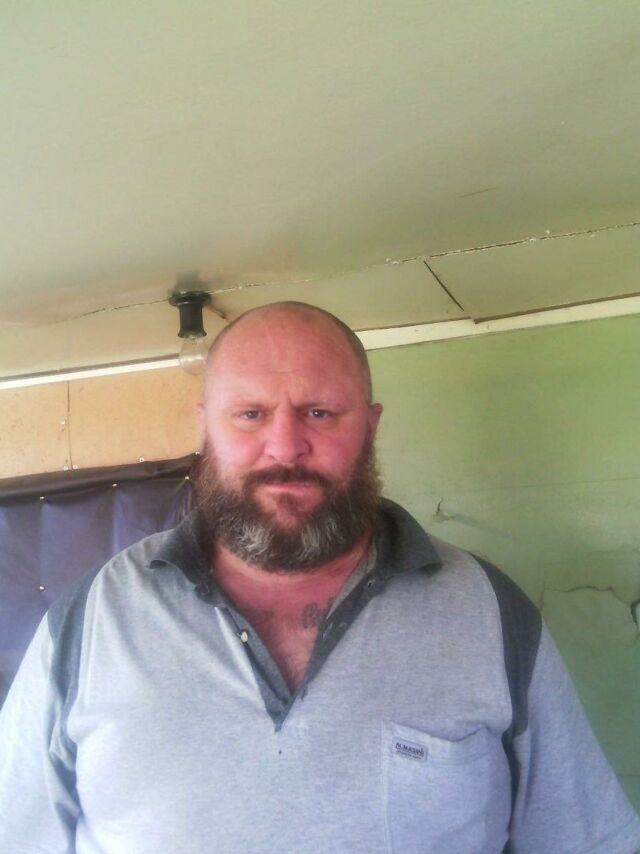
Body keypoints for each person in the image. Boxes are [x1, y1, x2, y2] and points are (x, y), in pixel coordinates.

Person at [0, 301, 639, 854]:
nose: (284, 446)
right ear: (205, 426)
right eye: (250, 414)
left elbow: (586, 840)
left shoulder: (488, 612)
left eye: (319, 413)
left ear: (370, 426)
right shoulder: (92, 620)